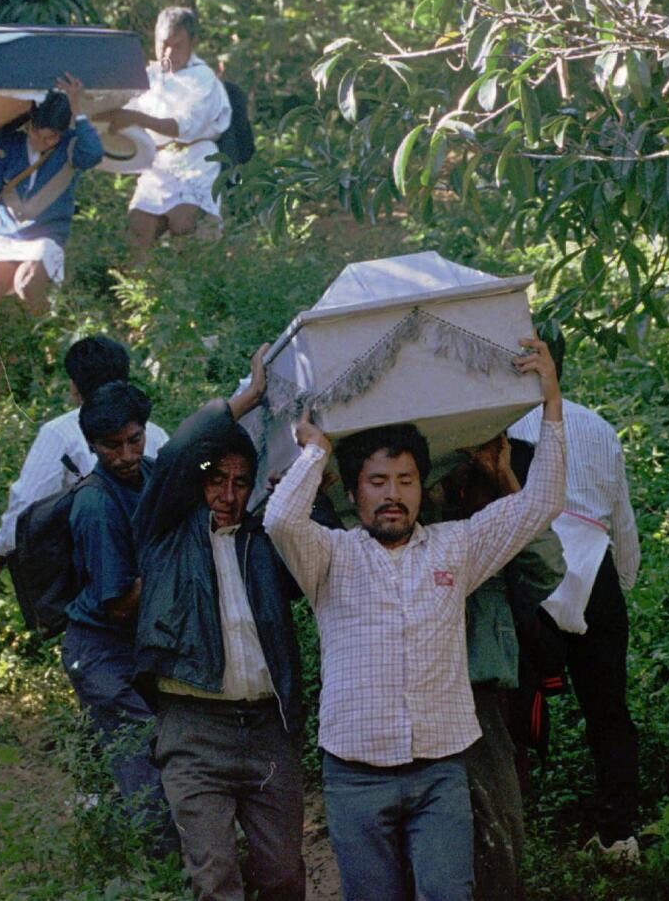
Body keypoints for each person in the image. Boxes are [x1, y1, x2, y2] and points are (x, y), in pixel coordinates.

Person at [264, 338, 566, 901]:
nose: (392, 496)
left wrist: (549, 398)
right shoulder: (329, 556)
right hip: (355, 775)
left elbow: (541, 502)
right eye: (377, 483)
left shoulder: (457, 547)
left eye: (405, 481)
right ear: (354, 494)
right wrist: (315, 452)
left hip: (440, 770)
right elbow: (281, 522)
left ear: (421, 488)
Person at [132, 346, 306, 901]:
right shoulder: (163, 532)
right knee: (215, 876)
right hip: (193, 731)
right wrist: (248, 399)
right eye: (216, 481)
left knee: (282, 875)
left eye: (240, 482)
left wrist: (299, 495)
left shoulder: (267, 542)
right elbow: (182, 450)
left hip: (267, 730)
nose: (228, 496)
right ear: (194, 484)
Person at [507, 335, 643, 862]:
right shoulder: (598, 427)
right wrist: (620, 584)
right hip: (594, 570)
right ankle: (619, 835)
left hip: (532, 572)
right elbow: (620, 519)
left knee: (510, 706)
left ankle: (511, 835)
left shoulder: (497, 428)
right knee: (608, 710)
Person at [56, 381, 176, 845]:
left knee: (154, 749)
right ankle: (160, 870)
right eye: (112, 446)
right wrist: (170, 568)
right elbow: (120, 604)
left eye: (135, 440)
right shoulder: (97, 505)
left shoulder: (150, 472)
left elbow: (200, 464)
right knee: (140, 762)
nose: (126, 455)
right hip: (102, 652)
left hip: (136, 649)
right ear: (91, 445)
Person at [0, 336, 169, 590]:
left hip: (95, 574)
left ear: (74, 387)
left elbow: (27, 504)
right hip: (155, 571)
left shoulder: (60, 433)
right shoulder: (153, 432)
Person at [435, 435, 529, 901]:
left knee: (501, 826)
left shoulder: (498, 541)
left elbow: (548, 566)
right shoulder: (429, 536)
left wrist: (506, 480)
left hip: (482, 706)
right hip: (427, 700)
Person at [0, 75, 103, 339]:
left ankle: (48, 351)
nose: (43, 140)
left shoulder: (71, 145)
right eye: (38, 132)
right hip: (4, 231)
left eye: (51, 137)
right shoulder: (8, 137)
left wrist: (78, 108)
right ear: (31, 124)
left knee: (27, 285)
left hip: (45, 234)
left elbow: (93, 154)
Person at [107, 7, 231, 251]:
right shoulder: (149, 77)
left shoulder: (203, 78)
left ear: (193, 42)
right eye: (164, 44)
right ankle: (137, 287)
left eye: (178, 45)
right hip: (158, 162)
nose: (169, 52)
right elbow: (119, 110)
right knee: (138, 229)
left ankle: (193, 284)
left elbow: (182, 126)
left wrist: (136, 118)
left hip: (197, 159)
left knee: (184, 226)